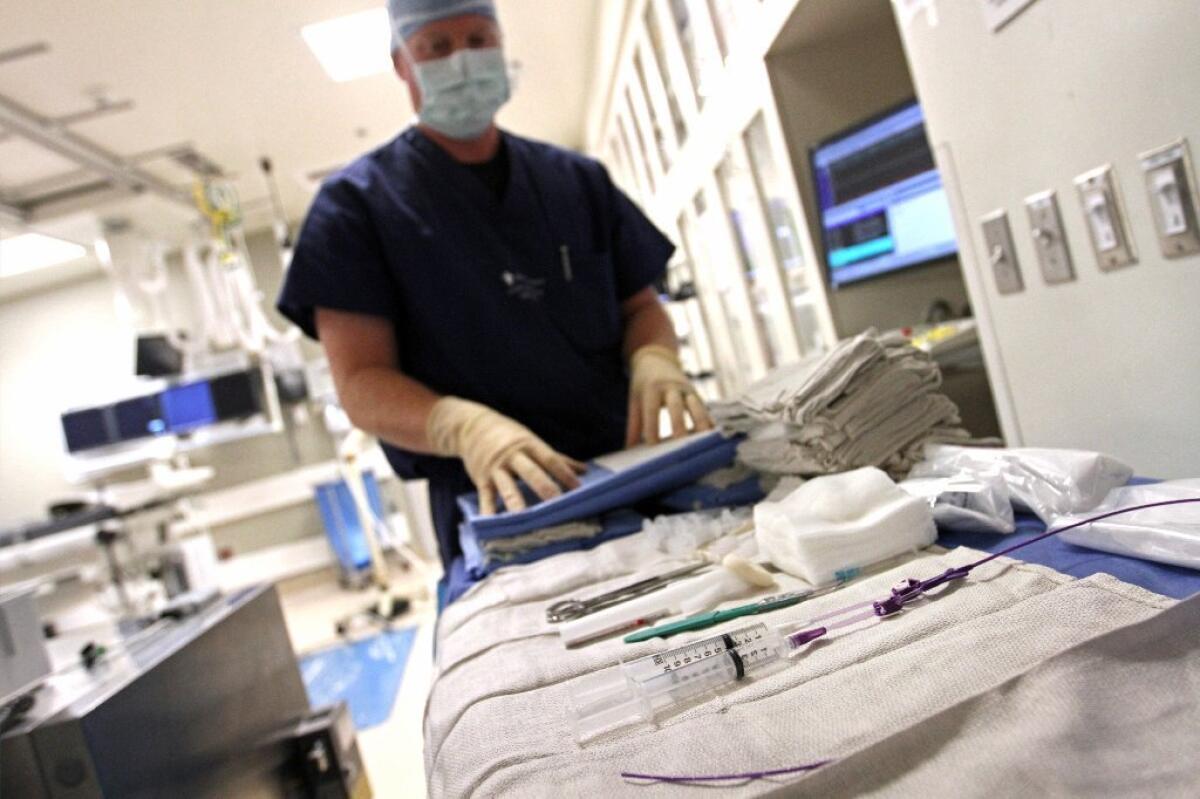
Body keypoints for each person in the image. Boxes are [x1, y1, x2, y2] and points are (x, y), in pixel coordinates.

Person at [277, 0, 712, 570]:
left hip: (635, 469)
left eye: (479, 38)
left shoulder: (576, 181)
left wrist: (656, 357)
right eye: (437, 45)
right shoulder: (354, 209)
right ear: (402, 63)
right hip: (500, 508)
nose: (463, 59)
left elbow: (641, 305)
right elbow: (360, 381)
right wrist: (464, 427)